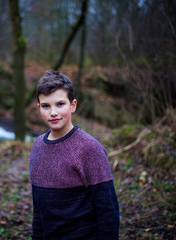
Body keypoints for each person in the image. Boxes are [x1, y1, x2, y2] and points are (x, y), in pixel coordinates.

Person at [29, 70, 120, 239]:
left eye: (60, 104)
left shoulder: (90, 149)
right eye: (46, 106)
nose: (53, 112)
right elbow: (38, 210)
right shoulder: (37, 147)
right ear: (39, 108)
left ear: (73, 105)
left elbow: (107, 210)